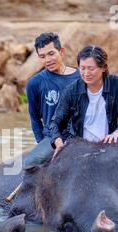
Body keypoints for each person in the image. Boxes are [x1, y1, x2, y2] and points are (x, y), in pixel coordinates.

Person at [49, 45, 118, 157]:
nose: (86, 73)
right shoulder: (71, 91)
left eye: (91, 68)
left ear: (104, 68)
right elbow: (55, 122)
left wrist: (117, 133)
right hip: (80, 145)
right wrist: (59, 143)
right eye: (82, 68)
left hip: (110, 143)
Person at [24, 32, 80, 169]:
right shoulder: (35, 83)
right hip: (52, 138)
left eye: (51, 54)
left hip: (80, 135)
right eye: (42, 56)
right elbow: (35, 118)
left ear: (61, 52)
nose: (47, 60)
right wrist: (42, 143)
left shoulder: (81, 77)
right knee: (30, 163)